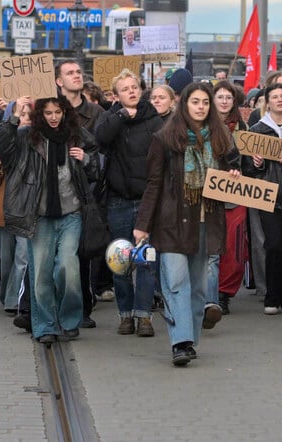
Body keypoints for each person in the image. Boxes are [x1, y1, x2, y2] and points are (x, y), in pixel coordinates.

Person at [133, 82, 241, 366]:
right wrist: (142, 224)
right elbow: (154, 184)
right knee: (175, 281)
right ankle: (179, 341)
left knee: (197, 287)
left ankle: (190, 339)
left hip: (207, 220)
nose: (201, 107)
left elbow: (234, 169)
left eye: (205, 102)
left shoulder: (221, 138)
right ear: (184, 105)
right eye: (195, 102)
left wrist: (234, 175)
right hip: (172, 222)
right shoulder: (165, 138)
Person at [0, 95, 99, 343]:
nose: (53, 117)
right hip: (39, 216)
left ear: (64, 112)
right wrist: (15, 114)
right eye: (48, 113)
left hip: (71, 213)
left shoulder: (77, 135)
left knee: (67, 268)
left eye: (58, 112)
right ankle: (45, 326)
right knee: (40, 274)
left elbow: (97, 165)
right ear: (41, 114)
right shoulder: (28, 137)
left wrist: (87, 159)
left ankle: (70, 319)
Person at [95, 69, 162, 337]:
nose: (131, 92)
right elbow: (101, 138)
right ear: (116, 95)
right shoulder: (111, 118)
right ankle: (125, 314)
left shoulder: (155, 120)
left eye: (134, 87)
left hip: (147, 201)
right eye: (125, 89)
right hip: (118, 201)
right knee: (120, 261)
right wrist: (122, 116)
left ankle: (144, 316)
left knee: (147, 260)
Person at [246, 82, 282, 316]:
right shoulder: (257, 130)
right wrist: (256, 163)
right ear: (267, 102)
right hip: (269, 196)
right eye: (275, 97)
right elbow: (248, 170)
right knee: (273, 245)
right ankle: (272, 296)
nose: (280, 100)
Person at [56, 60, 105, 328]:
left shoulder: (97, 113)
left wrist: (87, 159)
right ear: (58, 81)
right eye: (70, 73)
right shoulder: (50, 109)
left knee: (82, 254)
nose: (77, 76)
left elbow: (102, 152)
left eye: (78, 72)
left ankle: (83, 308)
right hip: (55, 192)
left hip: (86, 192)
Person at [209, 80, 248, 317]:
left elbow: (252, 166)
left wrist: (255, 162)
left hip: (235, 193)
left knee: (234, 246)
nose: (224, 101)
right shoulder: (201, 124)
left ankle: (224, 293)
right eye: (220, 97)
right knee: (210, 245)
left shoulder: (244, 127)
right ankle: (209, 293)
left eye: (228, 97)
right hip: (208, 191)